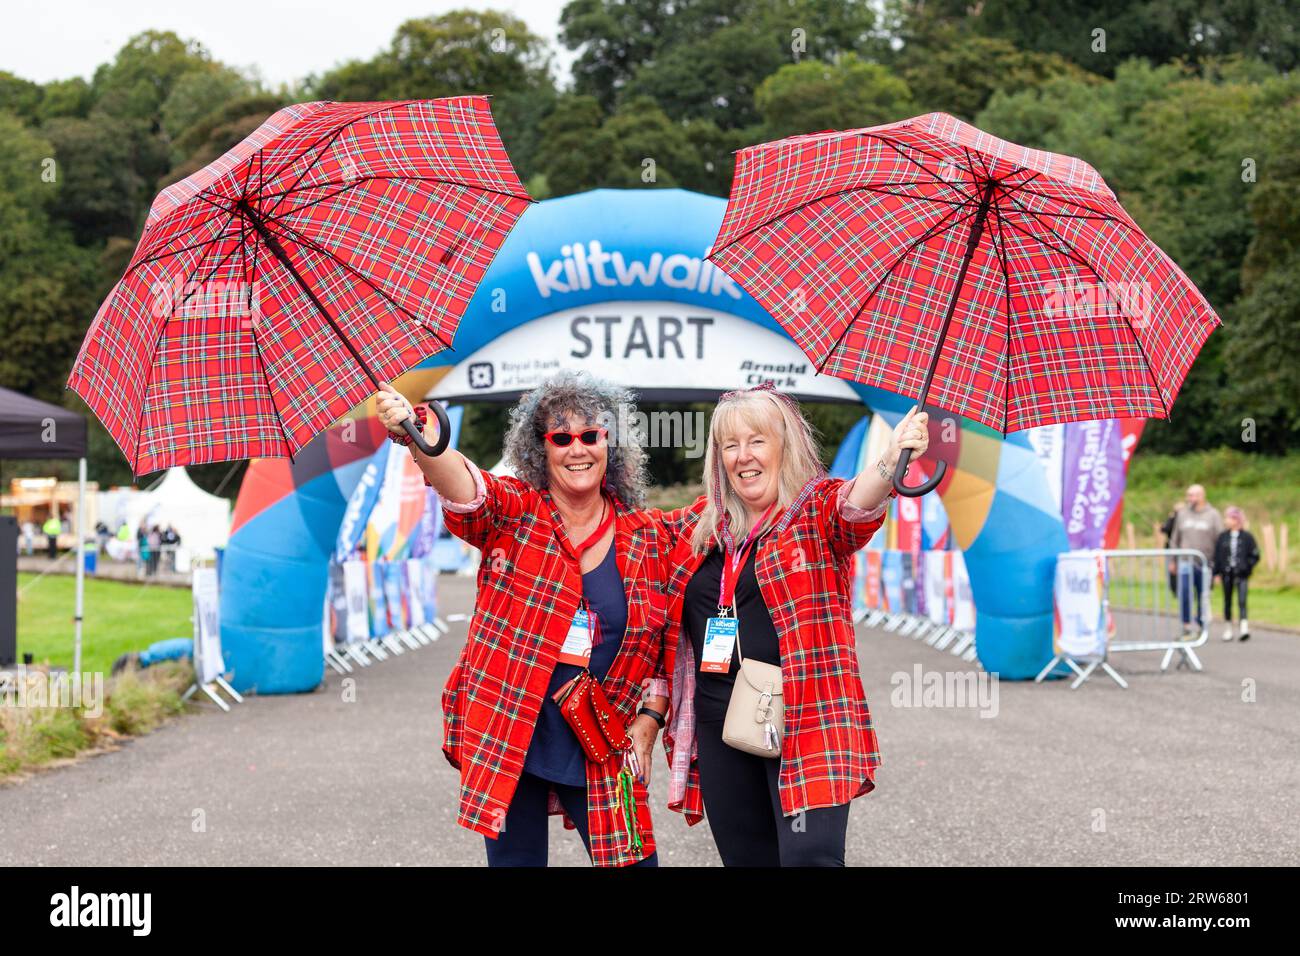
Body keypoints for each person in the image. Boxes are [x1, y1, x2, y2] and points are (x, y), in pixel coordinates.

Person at [375, 371, 671, 868]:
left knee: (635, 861)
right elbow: (467, 488)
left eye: (590, 435)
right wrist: (415, 433)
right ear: (541, 449)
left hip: (602, 732)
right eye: (561, 437)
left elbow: (666, 636)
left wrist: (652, 715)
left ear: (610, 443)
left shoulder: (649, 535)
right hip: (512, 725)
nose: (577, 449)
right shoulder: (516, 512)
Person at [651, 383, 928, 866]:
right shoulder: (698, 525)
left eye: (756, 440)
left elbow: (856, 506)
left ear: (785, 444)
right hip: (721, 729)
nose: (743, 456)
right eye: (730, 445)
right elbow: (629, 540)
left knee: (809, 859)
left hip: (807, 721)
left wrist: (890, 459)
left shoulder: (814, 511)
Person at [1168, 484, 1223, 635]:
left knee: (1203, 595)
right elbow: (1175, 538)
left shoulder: (1213, 515)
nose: (1189, 499)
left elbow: (1220, 540)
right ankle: (1186, 624)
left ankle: (1201, 623)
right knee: (1184, 592)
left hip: (1205, 563)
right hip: (1185, 562)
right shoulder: (1183, 514)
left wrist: (1218, 567)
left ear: (1201, 496)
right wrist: (1173, 560)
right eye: (1188, 495)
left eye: (1193, 495)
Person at [1213, 506, 1260, 642]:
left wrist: (1247, 567)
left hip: (1242, 574)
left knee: (1242, 600)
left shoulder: (1247, 537)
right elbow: (1218, 556)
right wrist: (1216, 572)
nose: (1226, 520)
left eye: (1228, 518)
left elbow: (1255, 555)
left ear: (1236, 520)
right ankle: (1228, 628)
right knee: (1227, 601)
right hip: (1227, 574)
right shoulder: (1223, 537)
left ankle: (1243, 627)